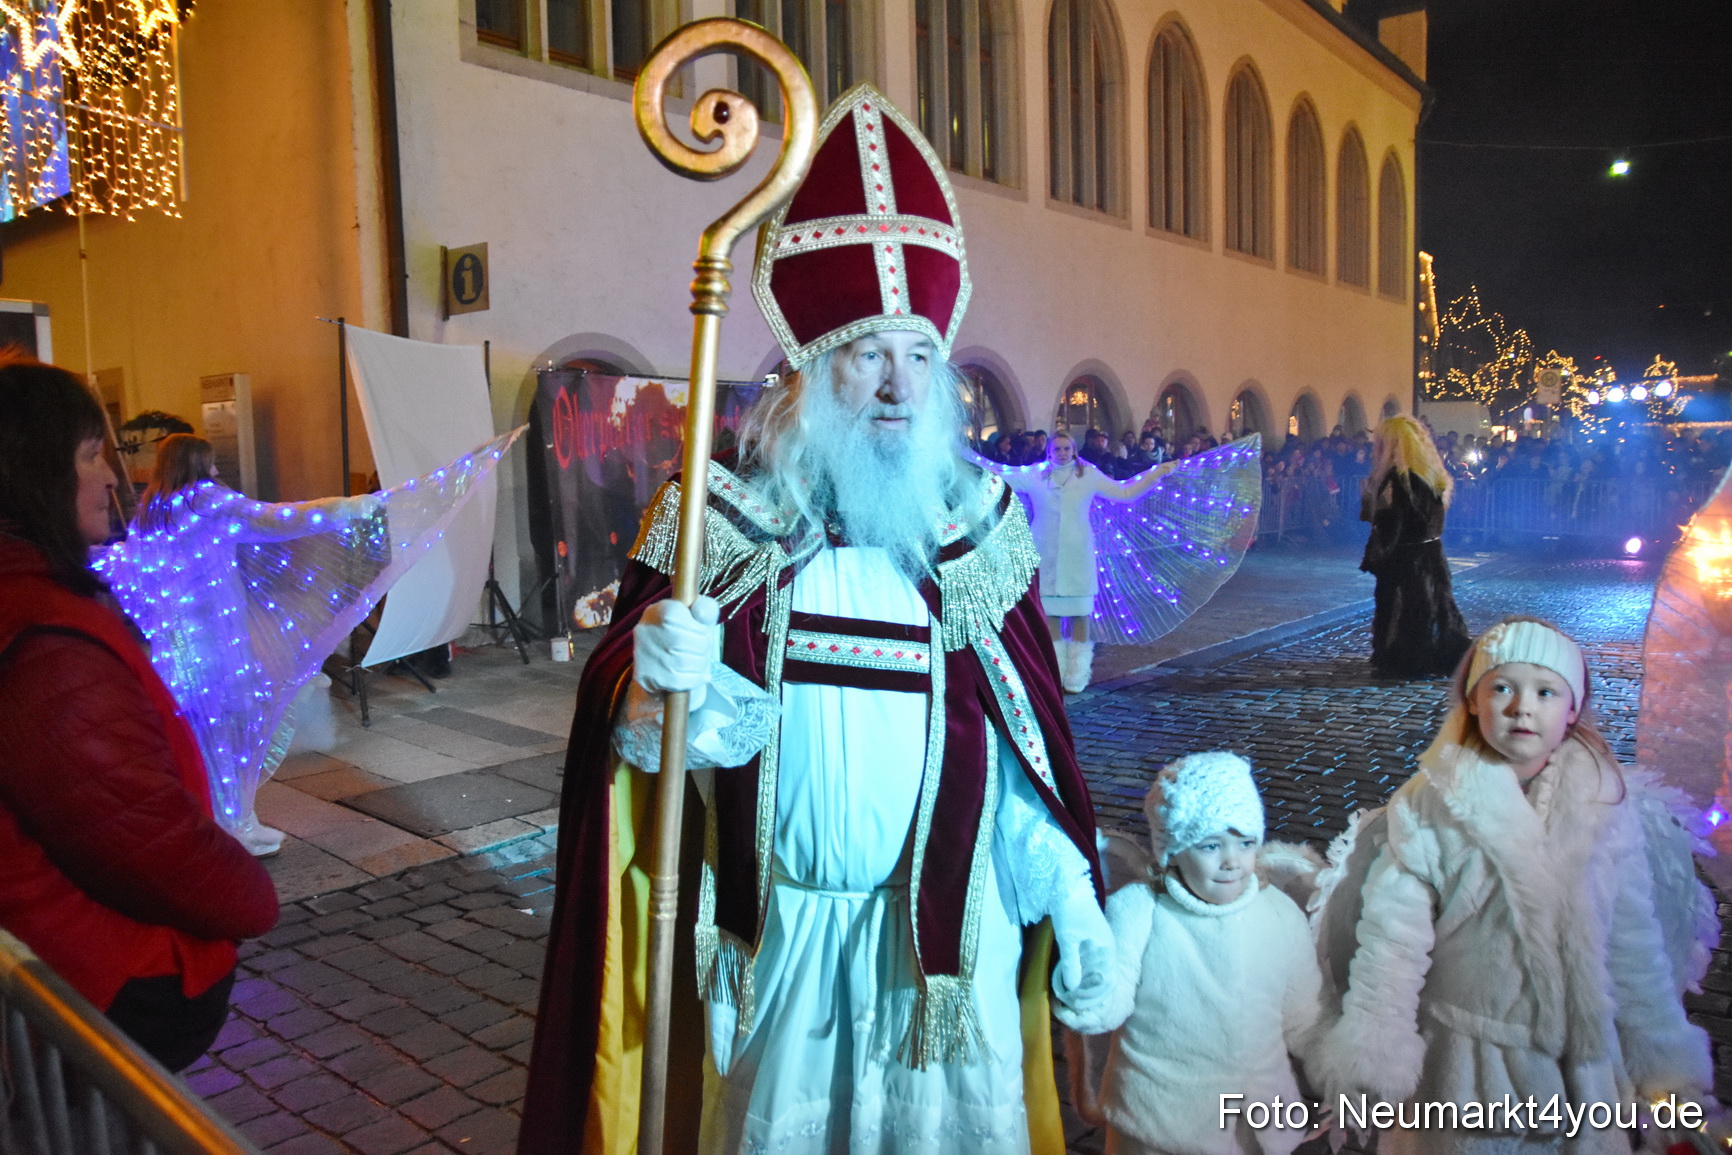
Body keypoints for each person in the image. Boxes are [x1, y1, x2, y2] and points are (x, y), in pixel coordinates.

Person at [520, 84, 1111, 1155]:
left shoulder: (982, 537)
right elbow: (646, 765)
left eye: (920, 356)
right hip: (783, 954)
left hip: (946, 964)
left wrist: (1071, 895)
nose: (897, 386)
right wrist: (655, 679)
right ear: (808, 368)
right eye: (869, 353)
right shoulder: (715, 527)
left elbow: (1020, 765)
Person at [1310, 617, 1712, 1155]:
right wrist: (1372, 1053)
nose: (1523, 707)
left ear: (1570, 711)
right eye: (1502, 687)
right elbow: (1393, 941)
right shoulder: (1431, 807)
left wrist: (1662, 1063)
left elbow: (1633, 947)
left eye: (1546, 691)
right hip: (1467, 1068)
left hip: (1581, 1077)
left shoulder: (1604, 809)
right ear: (1472, 702)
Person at [0, 355, 278, 1070]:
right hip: (103, 988)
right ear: (32, 471)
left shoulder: (44, 605)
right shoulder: (51, 642)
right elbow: (139, 832)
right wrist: (250, 893)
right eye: (91, 455)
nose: (112, 477)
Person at [101, 430, 520, 855]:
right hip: (217, 644)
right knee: (233, 734)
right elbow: (284, 519)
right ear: (194, 464)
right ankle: (232, 823)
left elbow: (133, 572)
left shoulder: (152, 514)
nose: (215, 471)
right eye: (209, 463)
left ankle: (214, 819)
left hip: (177, 647)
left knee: (197, 735)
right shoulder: (207, 503)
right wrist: (357, 507)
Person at [1056, 752, 1324, 1155]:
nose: (1232, 861)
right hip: (1157, 1128)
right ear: (1172, 850)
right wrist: (1088, 986)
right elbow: (1105, 1006)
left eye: (1246, 842)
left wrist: (1345, 1059)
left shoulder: (1278, 914)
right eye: (1211, 844)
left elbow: (1304, 1016)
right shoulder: (1141, 911)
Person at [986, 431, 1178, 693]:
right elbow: (999, 479)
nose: (1062, 453)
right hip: (1044, 553)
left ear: (1074, 450)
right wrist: (966, 465)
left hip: (1078, 553)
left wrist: (1156, 474)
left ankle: (1077, 674)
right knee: (1050, 615)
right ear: (1049, 452)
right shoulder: (1035, 475)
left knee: (1080, 615)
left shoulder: (1088, 475)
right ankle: (1054, 671)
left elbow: (1125, 492)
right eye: (1057, 449)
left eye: (1066, 448)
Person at [1360, 415, 1471, 678]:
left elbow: (1393, 522)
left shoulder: (1401, 480)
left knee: (1407, 608)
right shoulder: (1429, 476)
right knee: (1432, 605)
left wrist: (1377, 518)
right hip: (1430, 554)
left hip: (1405, 558)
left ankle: (1405, 658)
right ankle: (1431, 654)